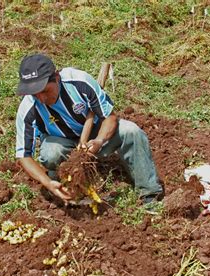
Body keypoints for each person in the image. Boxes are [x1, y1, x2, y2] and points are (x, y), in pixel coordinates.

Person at [15, 53, 163, 206]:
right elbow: (24, 156)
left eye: (45, 91)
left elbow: (110, 117)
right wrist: (47, 182)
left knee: (131, 131)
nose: (41, 98)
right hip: (60, 140)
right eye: (34, 93)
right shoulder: (28, 108)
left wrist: (99, 140)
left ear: (57, 77)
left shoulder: (79, 82)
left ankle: (149, 194)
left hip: (95, 133)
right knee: (51, 153)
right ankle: (61, 185)